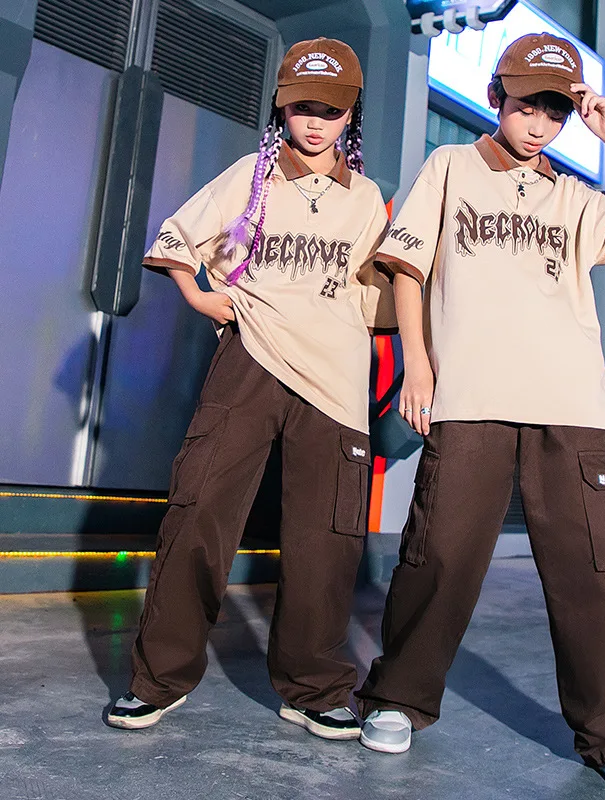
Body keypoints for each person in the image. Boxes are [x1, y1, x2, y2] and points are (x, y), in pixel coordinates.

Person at [354, 32, 605, 800]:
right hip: (472, 399)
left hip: (572, 408)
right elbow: (408, 269)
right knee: (438, 556)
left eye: (555, 113)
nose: (539, 125)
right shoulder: (451, 167)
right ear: (497, 97)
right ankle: (398, 696)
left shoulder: (575, 196)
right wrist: (418, 365)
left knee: (600, 573)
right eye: (528, 105)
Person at [106, 37, 395, 742]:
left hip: (335, 381)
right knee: (198, 513)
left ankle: (314, 688)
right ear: (282, 108)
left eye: (331, 110)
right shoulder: (253, 176)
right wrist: (200, 295)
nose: (315, 122)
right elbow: (181, 238)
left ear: (351, 115)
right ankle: (158, 680)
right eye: (302, 107)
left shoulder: (366, 199)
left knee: (325, 539)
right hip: (251, 361)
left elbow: (375, 300)